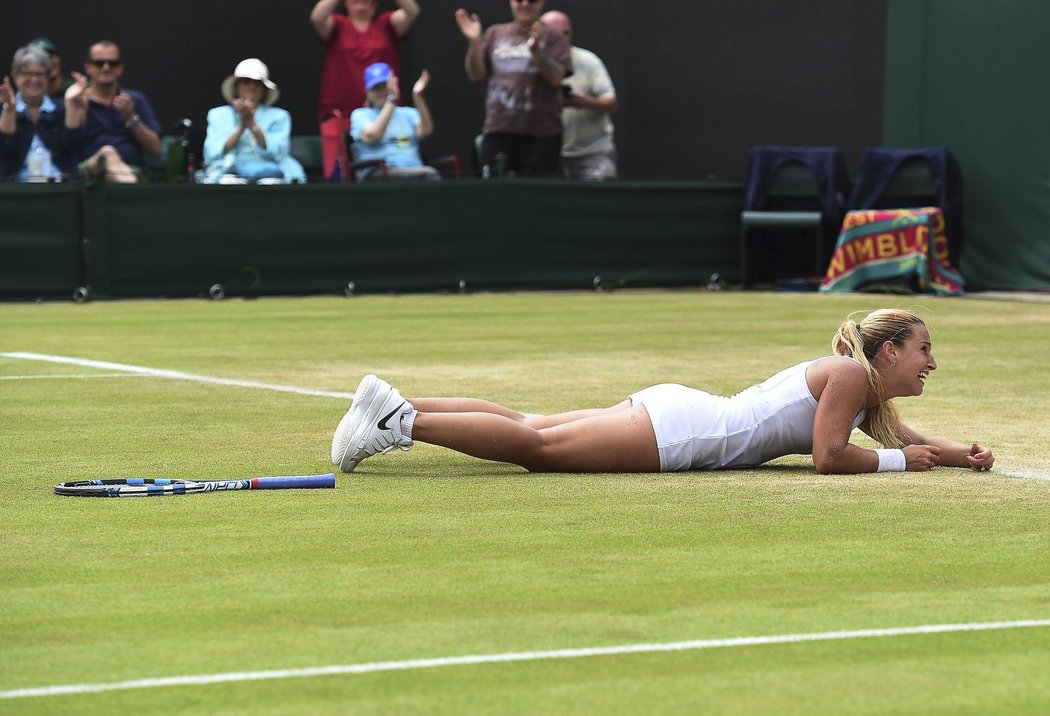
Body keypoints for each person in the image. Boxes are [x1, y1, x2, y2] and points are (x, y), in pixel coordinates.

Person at [331, 309, 995, 475]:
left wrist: (960, 457)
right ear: (889, 351)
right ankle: (399, 420)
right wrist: (890, 462)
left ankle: (390, 402)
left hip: (682, 414)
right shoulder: (850, 376)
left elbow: (903, 438)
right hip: (686, 431)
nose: (931, 362)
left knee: (532, 424)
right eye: (924, 349)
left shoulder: (860, 389)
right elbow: (829, 457)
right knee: (538, 447)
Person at [455, 0, 572, 177]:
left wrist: (537, 53)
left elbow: (556, 79)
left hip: (541, 136)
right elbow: (476, 74)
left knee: (536, 197)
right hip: (498, 130)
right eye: (519, 0)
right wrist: (474, 42)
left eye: (531, 1)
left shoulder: (553, 36)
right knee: (496, 196)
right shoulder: (495, 33)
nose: (525, 5)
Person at [311, 0, 421, 178]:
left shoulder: (386, 24)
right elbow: (317, 18)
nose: (361, 4)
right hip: (339, 113)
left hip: (382, 113)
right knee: (337, 175)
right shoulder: (337, 24)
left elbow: (412, 11)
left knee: (386, 170)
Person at [538, 11, 618, 180]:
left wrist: (585, 102)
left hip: (593, 153)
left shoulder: (588, 61)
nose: (561, 37)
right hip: (549, 153)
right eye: (554, 33)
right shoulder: (530, 65)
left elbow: (611, 102)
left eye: (565, 32)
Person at [200, 58, 306, 185]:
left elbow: (279, 152)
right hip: (228, 172)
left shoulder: (280, 116)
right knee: (228, 182)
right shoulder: (218, 115)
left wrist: (251, 123)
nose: (252, 87)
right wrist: (241, 126)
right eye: (246, 81)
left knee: (270, 184)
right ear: (236, 87)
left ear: (264, 90)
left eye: (257, 83)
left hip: (270, 172)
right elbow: (212, 152)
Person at [0, 44, 88, 181]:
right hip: (16, 191)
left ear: (48, 77)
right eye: (27, 74)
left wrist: (70, 102)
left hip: (59, 189)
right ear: (15, 75)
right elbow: (5, 151)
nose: (34, 80)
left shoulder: (61, 108)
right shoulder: (4, 108)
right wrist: (10, 109)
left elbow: (74, 147)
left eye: (40, 74)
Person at [79, 40, 161, 183]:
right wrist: (80, 110)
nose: (106, 67)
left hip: (132, 170)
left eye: (113, 63)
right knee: (108, 153)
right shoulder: (78, 100)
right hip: (87, 173)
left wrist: (131, 116)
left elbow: (155, 149)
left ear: (120, 68)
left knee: (110, 156)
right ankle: (130, 193)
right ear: (88, 67)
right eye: (99, 63)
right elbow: (67, 146)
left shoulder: (135, 100)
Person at [349, 62, 438, 181]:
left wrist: (418, 96)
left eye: (385, 86)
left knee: (428, 175)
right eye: (376, 88)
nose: (382, 91)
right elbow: (372, 135)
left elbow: (426, 131)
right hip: (378, 174)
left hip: (414, 171)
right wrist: (392, 100)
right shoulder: (360, 115)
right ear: (368, 93)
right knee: (429, 175)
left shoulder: (408, 113)